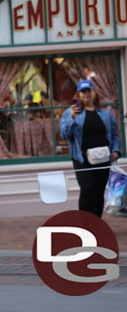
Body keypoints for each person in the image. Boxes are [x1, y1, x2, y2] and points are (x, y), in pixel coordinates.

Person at [60, 79, 121, 217]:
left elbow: (115, 134)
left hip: (103, 158)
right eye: (83, 92)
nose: (86, 94)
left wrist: (116, 151)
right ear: (78, 95)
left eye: (89, 91)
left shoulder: (105, 114)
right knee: (87, 189)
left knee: (99, 192)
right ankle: (85, 225)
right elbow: (64, 134)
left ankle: (96, 224)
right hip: (81, 159)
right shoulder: (70, 113)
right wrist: (71, 117)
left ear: (94, 93)